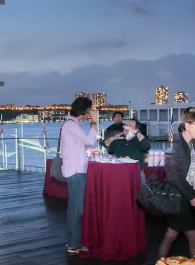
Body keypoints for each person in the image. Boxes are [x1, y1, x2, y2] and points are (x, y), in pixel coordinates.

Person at [159, 110, 195, 257]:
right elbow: (173, 176)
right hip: (178, 198)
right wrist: (192, 195)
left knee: (171, 234)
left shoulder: (191, 145)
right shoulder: (177, 146)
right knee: (192, 236)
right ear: (187, 125)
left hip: (184, 197)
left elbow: (194, 173)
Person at [60, 97, 98, 255]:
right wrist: (94, 123)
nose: (89, 114)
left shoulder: (71, 124)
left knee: (74, 208)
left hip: (75, 169)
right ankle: (73, 243)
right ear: (83, 111)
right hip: (75, 172)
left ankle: (73, 241)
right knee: (76, 209)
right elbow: (91, 140)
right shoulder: (71, 126)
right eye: (88, 111)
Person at [106, 118, 151, 184]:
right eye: (126, 125)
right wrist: (112, 138)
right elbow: (109, 150)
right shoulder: (118, 138)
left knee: (139, 193)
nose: (127, 127)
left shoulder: (140, 139)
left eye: (130, 127)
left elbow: (147, 147)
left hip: (136, 173)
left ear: (136, 130)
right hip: (119, 172)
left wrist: (136, 133)